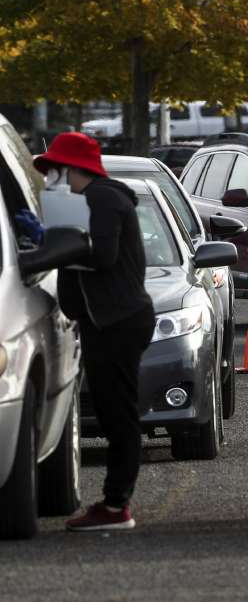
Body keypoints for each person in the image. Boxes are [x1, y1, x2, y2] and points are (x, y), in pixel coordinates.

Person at [31, 132, 154, 531]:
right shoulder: (94, 200)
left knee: (119, 415)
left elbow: (103, 254)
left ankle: (117, 506)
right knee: (112, 410)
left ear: (73, 169)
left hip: (118, 322)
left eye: (56, 170)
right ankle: (115, 503)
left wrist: (51, 245)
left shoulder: (103, 198)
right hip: (108, 321)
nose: (52, 179)